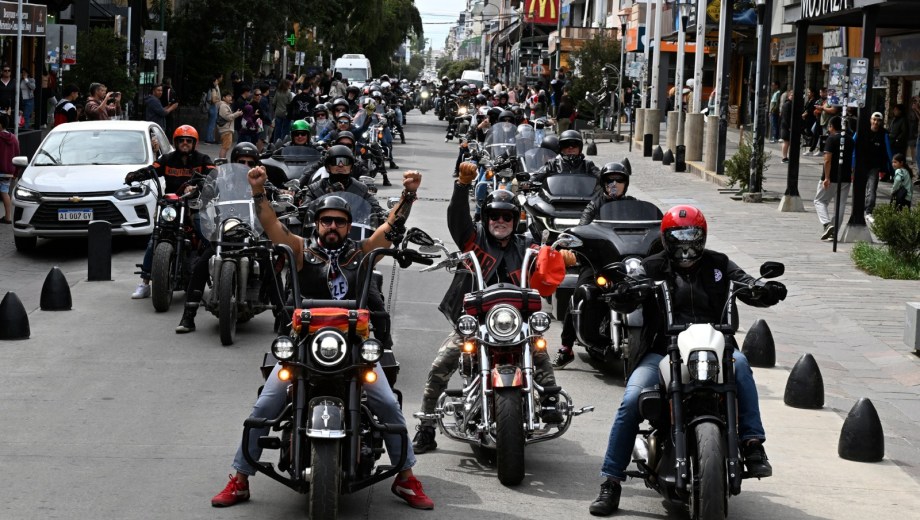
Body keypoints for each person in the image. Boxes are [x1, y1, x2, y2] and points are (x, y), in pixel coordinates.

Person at [210, 168, 434, 511]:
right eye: (326, 221)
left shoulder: (360, 253)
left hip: (354, 349)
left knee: (388, 405)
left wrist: (408, 196)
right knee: (265, 405)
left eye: (340, 222)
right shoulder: (301, 252)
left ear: (348, 226)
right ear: (317, 224)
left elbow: (390, 230)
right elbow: (273, 227)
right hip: (303, 347)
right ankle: (239, 478)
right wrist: (258, 192)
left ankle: (406, 477)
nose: (333, 227)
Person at [588, 205, 786, 516]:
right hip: (663, 350)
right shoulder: (653, 267)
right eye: (678, 237)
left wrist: (763, 290)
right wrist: (623, 292)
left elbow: (745, 282)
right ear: (666, 239)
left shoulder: (718, 264)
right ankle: (610, 481)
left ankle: (752, 444)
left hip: (717, 346)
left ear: (703, 237)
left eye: (692, 237)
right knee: (631, 400)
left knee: (743, 367)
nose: (686, 245)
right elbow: (629, 288)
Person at [412, 162, 577, 454]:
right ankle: (425, 427)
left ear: (515, 220)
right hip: (475, 323)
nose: (500, 221)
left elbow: (546, 256)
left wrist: (562, 257)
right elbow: (457, 220)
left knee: (539, 354)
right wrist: (462, 186)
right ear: (486, 217)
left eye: (507, 216)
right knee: (441, 364)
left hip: (517, 323)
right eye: (494, 215)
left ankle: (550, 401)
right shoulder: (473, 238)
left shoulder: (525, 245)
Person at [553, 162, 636, 368]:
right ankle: (566, 347)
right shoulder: (594, 205)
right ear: (603, 183)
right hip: (598, 261)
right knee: (579, 292)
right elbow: (582, 228)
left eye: (619, 180)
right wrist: (575, 246)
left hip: (625, 261)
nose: (615, 184)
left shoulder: (634, 205)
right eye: (610, 180)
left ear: (626, 183)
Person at [127, 125, 216, 299]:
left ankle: (217, 275)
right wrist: (134, 175)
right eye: (181, 140)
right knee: (155, 239)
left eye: (188, 141)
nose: (184, 143)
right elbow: (152, 169)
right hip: (172, 207)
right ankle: (145, 283)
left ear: (194, 143)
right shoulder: (167, 159)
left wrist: (200, 185)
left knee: (207, 237)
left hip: (194, 206)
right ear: (176, 142)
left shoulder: (202, 159)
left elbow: (214, 173)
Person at [298, 145, 386, 225]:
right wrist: (326, 197)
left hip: (354, 236)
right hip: (323, 235)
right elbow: (305, 212)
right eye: (336, 161)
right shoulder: (315, 189)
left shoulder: (361, 189)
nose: (340, 165)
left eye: (345, 161)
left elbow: (375, 208)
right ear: (328, 167)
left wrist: (382, 214)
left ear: (351, 167)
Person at [815, 116, 854, 241]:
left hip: (831, 177)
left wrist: (826, 177)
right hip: (846, 177)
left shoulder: (831, 139)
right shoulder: (850, 140)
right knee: (840, 205)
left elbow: (827, 160)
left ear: (831, 126)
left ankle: (827, 224)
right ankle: (833, 232)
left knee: (819, 201)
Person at [530, 129, 600, 184]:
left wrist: (609, 177)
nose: (570, 147)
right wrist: (529, 181)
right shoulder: (553, 164)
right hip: (557, 198)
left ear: (580, 147)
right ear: (561, 148)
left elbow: (600, 176)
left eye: (574, 144)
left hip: (584, 198)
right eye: (566, 145)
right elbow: (537, 175)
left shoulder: (587, 165)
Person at [858, 111, 894, 218]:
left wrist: (890, 167)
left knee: (872, 189)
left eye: (878, 120)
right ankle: (860, 207)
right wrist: (853, 163)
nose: (876, 122)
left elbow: (888, 151)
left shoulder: (884, 134)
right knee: (860, 187)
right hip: (862, 164)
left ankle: (869, 209)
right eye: (874, 119)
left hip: (875, 165)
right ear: (870, 120)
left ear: (881, 122)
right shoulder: (863, 131)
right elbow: (855, 145)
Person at [0, 113, 19, 224]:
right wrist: (16, 172)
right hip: (8, 172)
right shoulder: (14, 139)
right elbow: (17, 156)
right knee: (5, 193)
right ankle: (8, 216)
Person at [216, 90, 243, 160]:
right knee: (225, 147)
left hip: (226, 129)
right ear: (223, 98)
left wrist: (236, 113)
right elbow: (228, 117)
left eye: (230, 96)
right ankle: (221, 161)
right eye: (228, 96)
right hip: (226, 129)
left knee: (226, 147)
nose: (230, 98)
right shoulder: (223, 106)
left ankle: (222, 160)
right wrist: (237, 114)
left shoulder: (225, 105)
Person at [271, 78, 293, 143]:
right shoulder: (289, 93)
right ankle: (284, 143)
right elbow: (291, 103)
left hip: (278, 113)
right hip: (286, 114)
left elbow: (273, 102)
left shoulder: (278, 92)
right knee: (285, 130)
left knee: (277, 130)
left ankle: (276, 143)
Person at [205, 73, 223, 144]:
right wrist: (219, 99)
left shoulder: (210, 89)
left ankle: (210, 138)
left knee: (210, 123)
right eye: (215, 81)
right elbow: (213, 100)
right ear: (213, 82)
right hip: (213, 107)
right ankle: (209, 139)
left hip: (210, 107)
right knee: (212, 124)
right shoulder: (213, 89)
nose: (217, 82)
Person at [780, 90, 793, 163]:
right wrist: (789, 126)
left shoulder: (790, 104)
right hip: (786, 126)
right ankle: (784, 157)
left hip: (786, 126)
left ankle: (785, 157)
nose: (793, 97)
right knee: (786, 142)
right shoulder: (788, 104)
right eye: (791, 95)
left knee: (787, 142)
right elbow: (786, 117)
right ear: (788, 96)